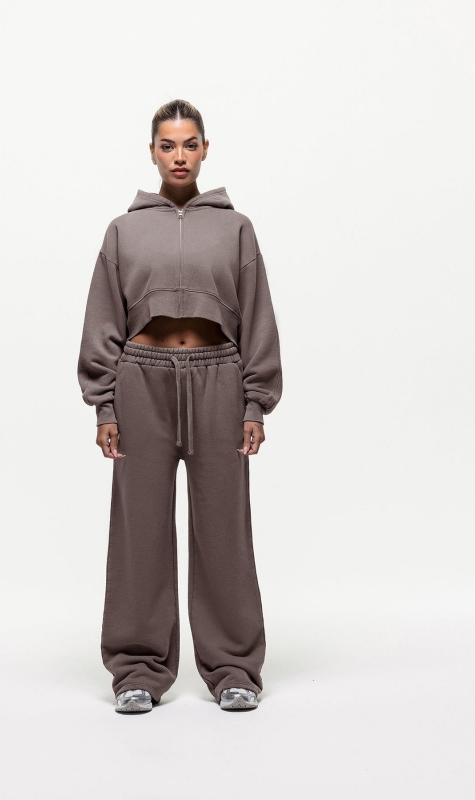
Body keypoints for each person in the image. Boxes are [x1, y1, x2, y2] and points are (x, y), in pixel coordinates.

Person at [77, 99, 283, 713]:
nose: (179, 156)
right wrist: (104, 406)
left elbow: (258, 314)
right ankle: (138, 670)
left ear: (205, 149)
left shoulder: (236, 227)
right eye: (167, 145)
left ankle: (234, 667)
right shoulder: (123, 230)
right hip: (140, 380)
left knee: (224, 527)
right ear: (152, 152)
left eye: (190, 144)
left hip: (219, 378)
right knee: (139, 527)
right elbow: (103, 319)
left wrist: (256, 402)